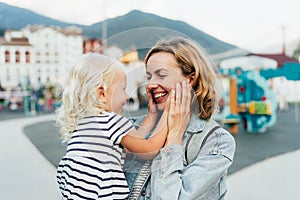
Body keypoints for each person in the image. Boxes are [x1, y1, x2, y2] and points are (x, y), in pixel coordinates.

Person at [55, 53, 192, 199]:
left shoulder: (83, 123)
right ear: (101, 93)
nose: (126, 97)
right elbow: (148, 150)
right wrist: (168, 113)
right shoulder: (109, 121)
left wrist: (151, 116)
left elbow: (134, 141)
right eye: (123, 89)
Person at [125, 37, 236, 199]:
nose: (151, 84)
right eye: (149, 77)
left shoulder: (215, 142)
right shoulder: (132, 128)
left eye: (161, 75)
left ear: (191, 79)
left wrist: (174, 138)